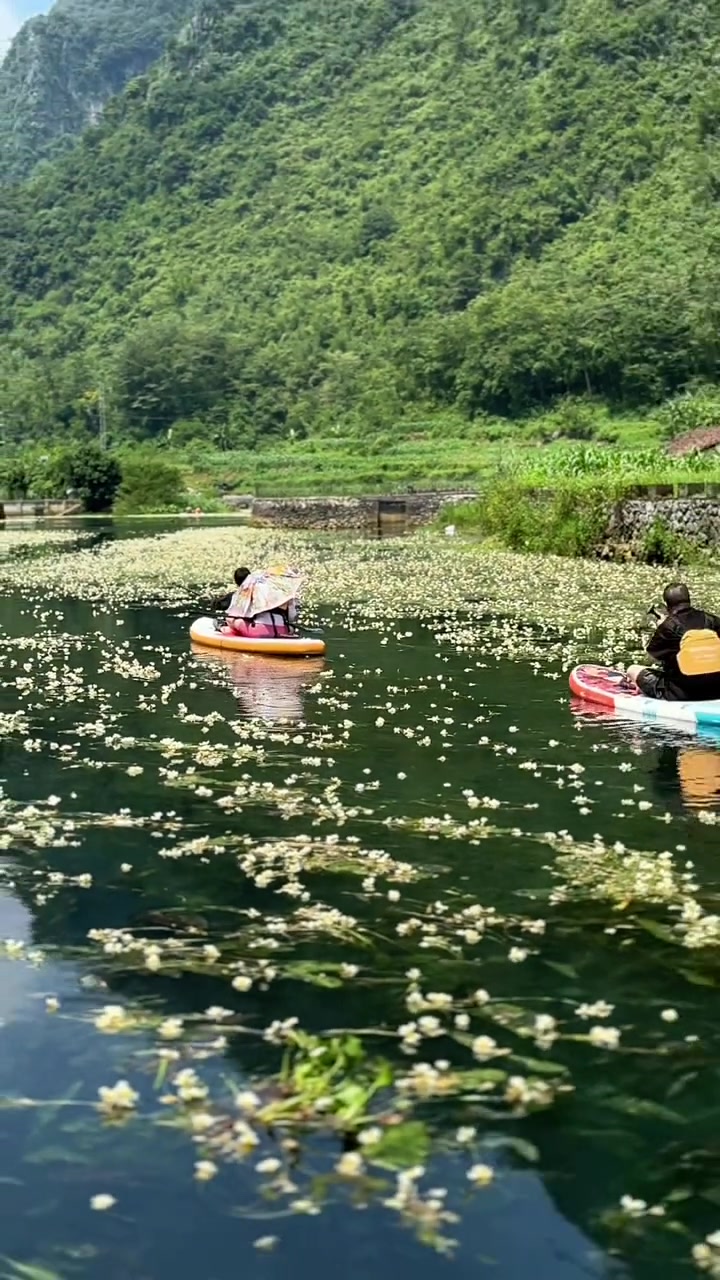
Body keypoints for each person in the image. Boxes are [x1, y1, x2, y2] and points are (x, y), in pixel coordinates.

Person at [627, 583, 720, 701]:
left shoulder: (668, 626)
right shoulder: (712, 620)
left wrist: (659, 629)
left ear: (667, 605)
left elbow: (650, 658)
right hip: (717, 690)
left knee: (632, 670)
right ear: (689, 600)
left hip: (681, 693)